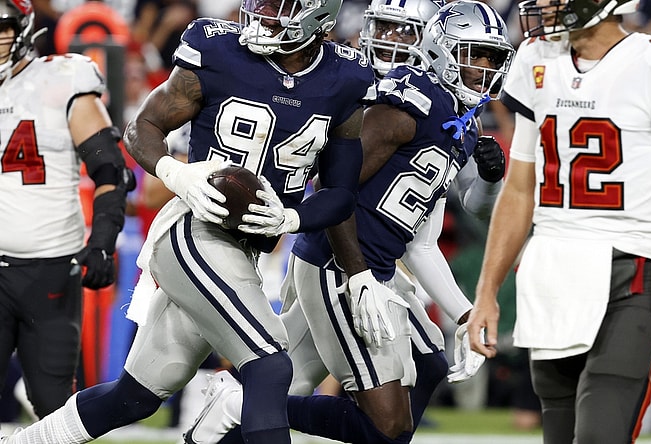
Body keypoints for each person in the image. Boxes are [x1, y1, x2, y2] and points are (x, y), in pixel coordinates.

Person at [1, 0, 373, 442]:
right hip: (193, 229)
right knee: (270, 364)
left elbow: (340, 195)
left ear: (317, 14)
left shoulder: (346, 78)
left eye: (275, 5)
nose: (259, 12)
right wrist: (178, 173)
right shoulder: (217, 50)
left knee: (135, 395)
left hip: (246, 249)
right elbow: (143, 127)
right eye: (258, 2)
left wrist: (293, 217)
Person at [181, 2, 513, 444]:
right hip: (342, 264)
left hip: (368, 264)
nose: (483, 69)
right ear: (441, 50)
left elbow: (422, 242)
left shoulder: (460, 122)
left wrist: (465, 315)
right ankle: (236, 405)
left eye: (491, 58)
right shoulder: (409, 105)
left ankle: (228, 419)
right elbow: (336, 191)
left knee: (321, 380)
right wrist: (359, 275)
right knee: (388, 425)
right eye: (474, 54)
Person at [466, 0, 651, 442]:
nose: (542, 4)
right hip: (553, 266)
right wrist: (486, 291)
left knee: (600, 434)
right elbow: (520, 189)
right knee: (560, 433)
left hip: (632, 266)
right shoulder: (536, 56)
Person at [0, 0, 134, 420]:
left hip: (51, 268)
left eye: (5, 25)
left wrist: (102, 243)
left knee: (54, 405)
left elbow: (111, 171)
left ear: (24, 26)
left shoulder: (59, 80)